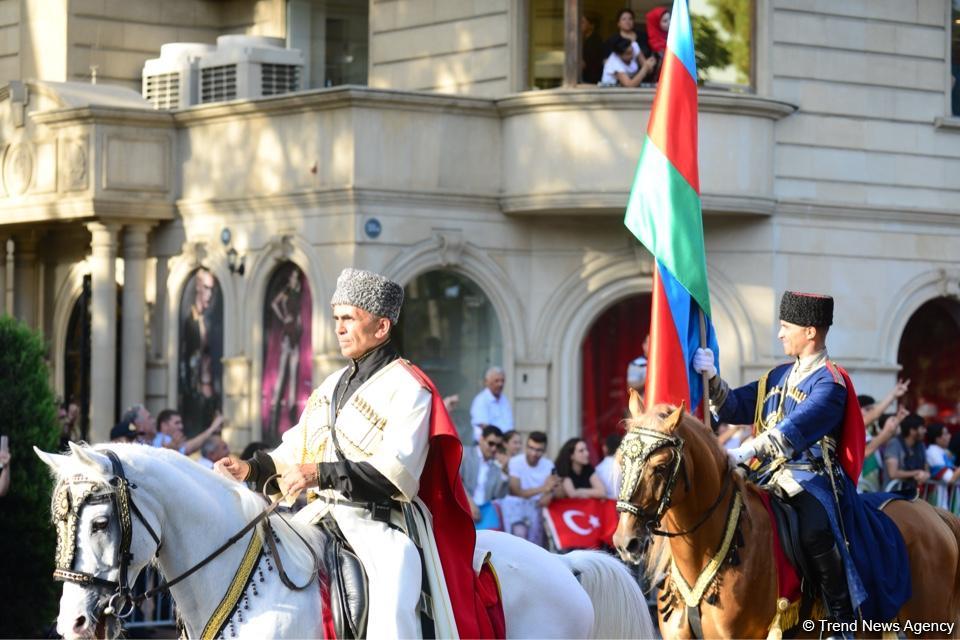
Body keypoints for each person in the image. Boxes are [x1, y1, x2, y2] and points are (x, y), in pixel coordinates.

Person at [216, 267, 497, 638]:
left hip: (381, 523)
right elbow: (295, 448)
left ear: (381, 327)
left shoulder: (410, 387)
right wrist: (249, 469)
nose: (339, 328)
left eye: (349, 318)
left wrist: (319, 473)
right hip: (318, 516)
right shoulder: (332, 384)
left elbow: (397, 472)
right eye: (336, 318)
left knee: (397, 574)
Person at [693, 291, 910, 632]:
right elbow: (735, 406)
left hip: (812, 478)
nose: (779, 334)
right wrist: (712, 379)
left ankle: (842, 619)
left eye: (785, 327)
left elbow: (797, 427)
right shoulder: (776, 376)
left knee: (814, 529)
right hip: (764, 475)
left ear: (810, 331)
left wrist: (745, 451)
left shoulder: (831, 381)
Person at [179, 267, 221, 437]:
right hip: (194, 385)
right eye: (206, 288)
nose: (210, 294)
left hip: (207, 383)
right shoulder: (191, 319)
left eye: (212, 289)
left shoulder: (207, 320)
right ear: (197, 287)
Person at [503, 431, 558, 547]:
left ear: (544, 451)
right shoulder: (515, 462)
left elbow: (549, 493)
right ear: (526, 447)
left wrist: (548, 493)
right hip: (517, 509)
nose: (533, 453)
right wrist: (543, 488)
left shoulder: (549, 465)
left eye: (538, 450)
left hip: (539, 509)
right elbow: (516, 491)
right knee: (519, 536)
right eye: (531, 448)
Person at [269, 267, 304, 434]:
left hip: (295, 332)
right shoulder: (288, 292)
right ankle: (274, 416)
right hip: (287, 331)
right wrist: (284, 317)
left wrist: (297, 321)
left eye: (297, 277)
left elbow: (299, 314)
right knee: (283, 373)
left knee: (293, 376)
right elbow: (274, 303)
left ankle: (291, 420)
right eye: (293, 277)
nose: (295, 280)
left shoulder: (298, 292)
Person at [460, 426, 508, 528]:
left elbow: (499, 495)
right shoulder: (465, 453)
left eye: (498, 446)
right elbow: (455, 481)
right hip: (462, 507)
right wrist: (470, 503)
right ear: (481, 439)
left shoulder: (497, 466)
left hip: (485, 513)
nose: (494, 448)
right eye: (491, 443)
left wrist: (504, 471)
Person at [883, 413, 930, 498]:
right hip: (893, 496)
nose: (925, 431)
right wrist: (917, 473)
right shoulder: (895, 444)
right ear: (912, 430)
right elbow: (893, 473)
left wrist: (926, 475)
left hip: (913, 496)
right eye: (922, 428)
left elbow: (926, 468)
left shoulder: (921, 446)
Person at [470, 366, 514, 443]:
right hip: (488, 444)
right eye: (496, 381)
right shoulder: (481, 400)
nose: (500, 384)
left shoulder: (504, 400)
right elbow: (484, 426)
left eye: (502, 381)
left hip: (504, 443)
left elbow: (509, 424)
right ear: (487, 382)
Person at [155, 409, 223, 456]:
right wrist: (213, 428)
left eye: (181, 423)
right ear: (164, 425)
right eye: (177, 423)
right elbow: (188, 449)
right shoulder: (160, 439)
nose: (181, 426)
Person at [645, 6, 670, 82]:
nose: (669, 22)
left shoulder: (674, 37)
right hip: (656, 85)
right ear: (656, 24)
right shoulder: (652, 43)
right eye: (665, 21)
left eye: (670, 19)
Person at [595, 432, 623, 499]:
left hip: (606, 507)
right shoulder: (627, 468)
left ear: (604, 448)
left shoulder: (598, 469)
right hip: (624, 506)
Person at [580, 11, 605, 84]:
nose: (580, 25)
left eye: (583, 22)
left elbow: (590, 62)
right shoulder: (585, 39)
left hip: (592, 80)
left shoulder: (595, 41)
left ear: (591, 25)